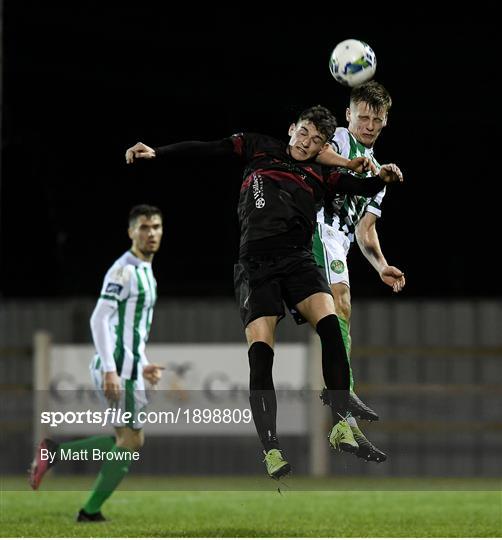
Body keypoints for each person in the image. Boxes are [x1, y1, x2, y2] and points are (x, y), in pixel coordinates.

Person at [125, 105, 403, 479]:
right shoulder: (258, 147)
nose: (307, 143)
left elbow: (363, 186)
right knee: (261, 354)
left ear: (323, 147)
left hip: (299, 262)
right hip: (256, 265)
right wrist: (159, 151)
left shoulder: (321, 173)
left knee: (332, 328)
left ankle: (340, 424)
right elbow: (210, 148)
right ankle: (271, 448)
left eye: (317, 140)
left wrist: (383, 177)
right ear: (292, 128)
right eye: (304, 133)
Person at [29, 204, 164, 521]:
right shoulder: (124, 270)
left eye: (156, 227)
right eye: (144, 227)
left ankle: (54, 454)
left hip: (128, 367)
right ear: (131, 231)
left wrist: (142, 363)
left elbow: (130, 328)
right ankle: (89, 512)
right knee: (130, 442)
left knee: (128, 439)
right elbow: (99, 318)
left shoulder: (146, 270)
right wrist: (109, 369)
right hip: (117, 369)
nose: (151, 233)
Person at [314, 81, 405, 463]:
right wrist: (350, 165)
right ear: (348, 114)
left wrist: (382, 265)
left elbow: (365, 230)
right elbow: (318, 153)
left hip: (341, 242)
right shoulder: (337, 137)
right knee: (341, 302)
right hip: (316, 225)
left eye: (375, 119)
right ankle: (341, 404)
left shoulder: (379, 176)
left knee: (341, 312)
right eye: (362, 116)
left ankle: (343, 414)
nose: (368, 124)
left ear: (385, 122)